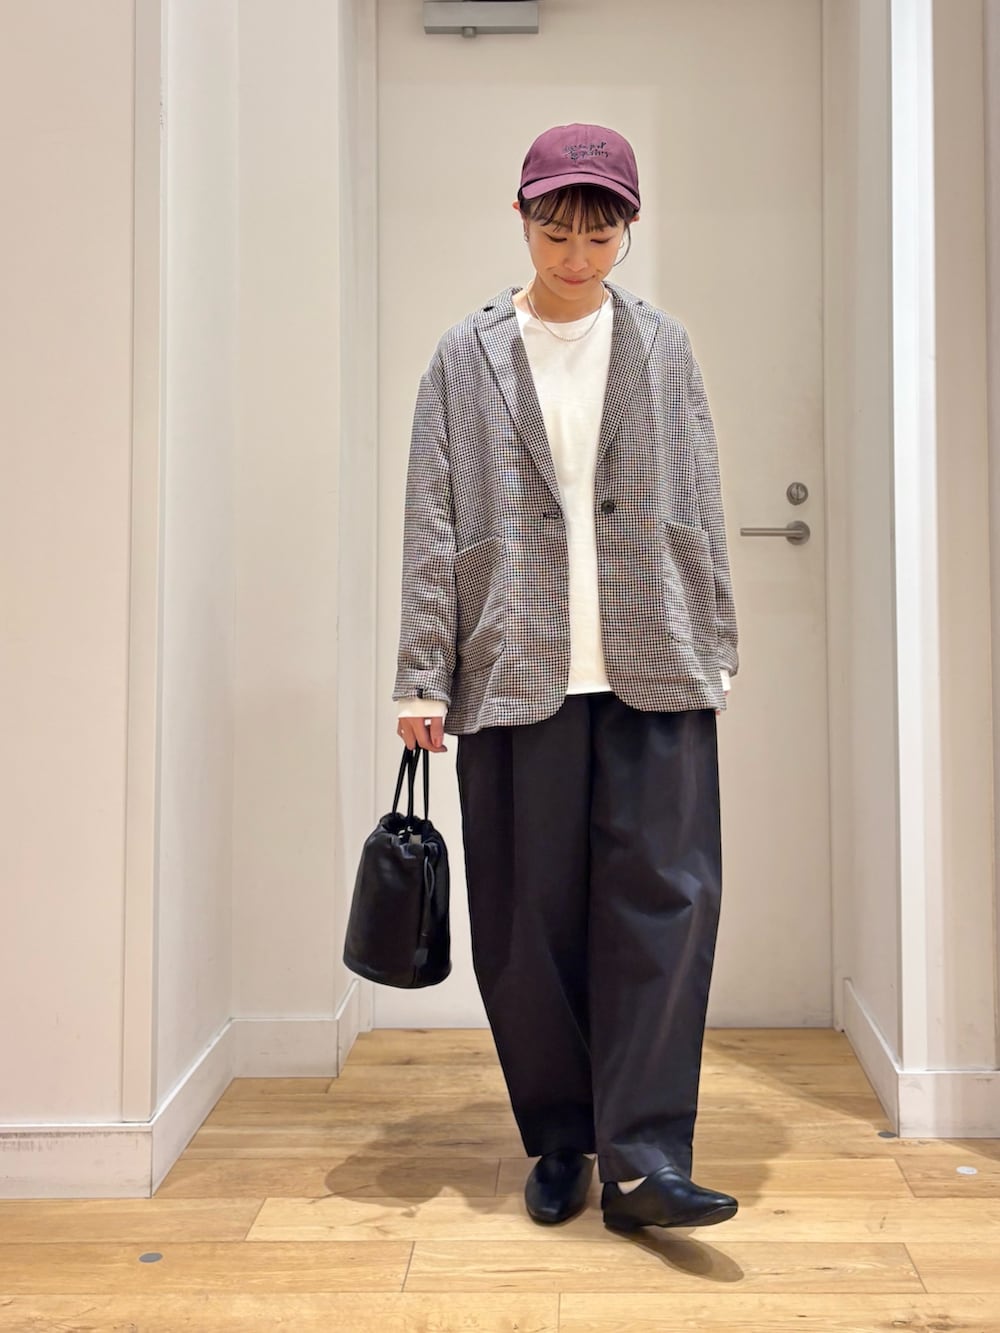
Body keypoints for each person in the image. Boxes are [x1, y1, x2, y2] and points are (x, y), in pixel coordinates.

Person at [392, 123, 739, 1234]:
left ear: (627, 228)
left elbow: (701, 501)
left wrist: (715, 642)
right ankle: (559, 1135)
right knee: (525, 918)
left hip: (655, 661)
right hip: (511, 666)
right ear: (522, 217)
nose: (577, 255)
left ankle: (647, 1156)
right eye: (556, 231)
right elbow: (432, 516)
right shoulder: (465, 354)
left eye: (600, 234)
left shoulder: (664, 346)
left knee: (667, 903)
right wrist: (420, 675)